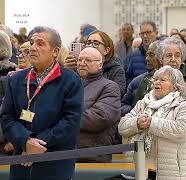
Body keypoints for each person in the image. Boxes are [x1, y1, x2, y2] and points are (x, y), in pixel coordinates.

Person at [0, 26, 83, 180]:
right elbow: (6, 117)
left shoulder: (70, 80)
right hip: (21, 160)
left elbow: (71, 121)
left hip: (55, 162)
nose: (32, 47)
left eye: (40, 43)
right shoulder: (17, 79)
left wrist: (37, 146)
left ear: (55, 52)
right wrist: (25, 141)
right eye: (31, 43)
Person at [118, 65, 186, 180]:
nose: (157, 82)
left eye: (163, 80)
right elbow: (122, 126)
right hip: (140, 169)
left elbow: (184, 129)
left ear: (174, 86)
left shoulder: (182, 105)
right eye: (155, 79)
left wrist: (152, 123)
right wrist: (137, 123)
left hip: (172, 173)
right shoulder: (144, 103)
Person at [76, 47, 121, 162]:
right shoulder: (71, 86)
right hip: (67, 153)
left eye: (88, 60)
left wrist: (66, 119)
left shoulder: (110, 87)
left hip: (92, 155)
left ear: (100, 65)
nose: (82, 63)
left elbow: (101, 117)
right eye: (80, 60)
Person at [65, 30, 126, 96]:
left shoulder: (116, 69)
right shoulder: (79, 66)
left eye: (96, 43)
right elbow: (66, 91)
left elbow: (117, 93)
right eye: (88, 43)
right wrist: (67, 73)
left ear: (106, 50)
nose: (90, 46)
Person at [121, 40, 161, 117]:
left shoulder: (173, 81)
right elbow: (123, 105)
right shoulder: (137, 81)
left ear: (162, 57)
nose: (147, 59)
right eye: (147, 55)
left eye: (151, 55)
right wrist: (136, 111)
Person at [125, 21, 158, 85]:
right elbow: (128, 77)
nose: (145, 36)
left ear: (156, 33)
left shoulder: (163, 52)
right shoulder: (134, 55)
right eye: (142, 33)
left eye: (148, 32)